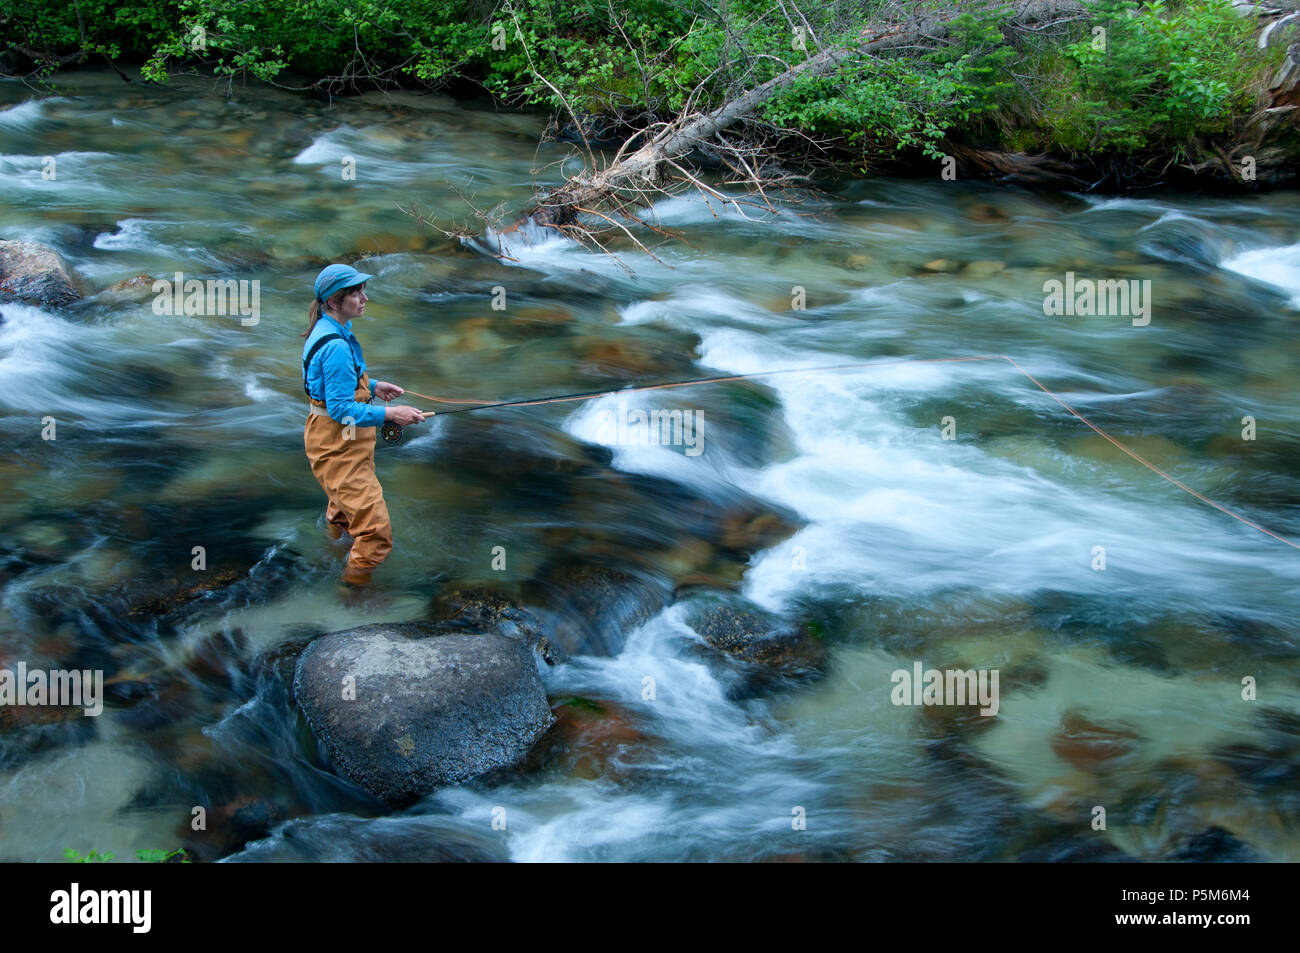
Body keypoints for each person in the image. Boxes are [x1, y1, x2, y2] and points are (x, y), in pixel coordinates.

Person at [301, 264, 425, 586]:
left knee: (343, 512)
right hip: (338, 442)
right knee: (376, 532)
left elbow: (331, 387)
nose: (364, 298)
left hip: (333, 440)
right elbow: (342, 409)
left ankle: (331, 556)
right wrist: (392, 414)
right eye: (355, 293)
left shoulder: (331, 330)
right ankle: (352, 594)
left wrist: (374, 387)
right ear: (333, 301)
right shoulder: (336, 346)